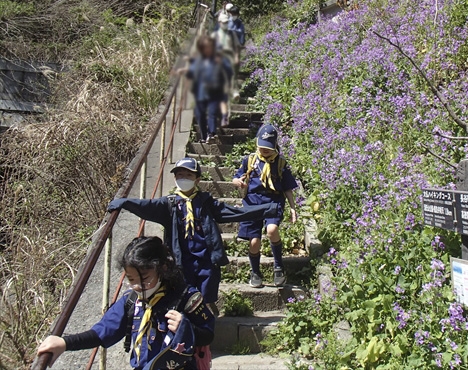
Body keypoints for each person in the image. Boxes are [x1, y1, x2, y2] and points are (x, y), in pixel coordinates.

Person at [107, 157, 281, 309]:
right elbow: (145, 206)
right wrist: (124, 203)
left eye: (189, 175)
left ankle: (205, 327)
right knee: (183, 296)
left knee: (206, 295)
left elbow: (235, 213)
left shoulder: (206, 203)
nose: (184, 179)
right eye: (180, 175)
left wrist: (269, 209)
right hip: (181, 261)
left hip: (206, 259)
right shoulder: (169, 204)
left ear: (198, 179)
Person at [37, 236, 214, 370]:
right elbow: (101, 333)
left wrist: (186, 327)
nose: (137, 285)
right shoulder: (131, 301)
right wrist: (65, 343)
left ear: (163, 268)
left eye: (144, 278)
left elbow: (208, 334)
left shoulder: (186, 297)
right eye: (131, 279)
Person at [232, 124, 298, 288]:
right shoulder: (250, 160)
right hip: (252, 202)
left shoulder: (281, 163)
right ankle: (255, 271)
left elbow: (288, 188)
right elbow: (236, 177)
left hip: (273, 201)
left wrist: (293, 208)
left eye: (268, 147)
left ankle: (278, 266)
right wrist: (238, 182)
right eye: (262, 147)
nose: (265, 150)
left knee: (272, 230)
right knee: (254, 242)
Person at [186, 36, 231, 142]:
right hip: (200, 92)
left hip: (215, 91)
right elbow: (190, 74)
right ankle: (203, 136)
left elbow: (229, 71)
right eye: (205, 47)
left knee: (212, 112)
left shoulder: (219, 59)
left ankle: (211, 134)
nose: (208, 49)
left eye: (210, 47)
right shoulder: (198, 60)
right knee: (199, 114)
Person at [211, 13, 241, 125]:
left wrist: (237, 57)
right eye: (224, 23)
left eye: (227, 22)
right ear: (219, 23)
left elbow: (237, 47)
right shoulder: (214, 36)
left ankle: (226, 115)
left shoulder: (231, 34)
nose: (225, 24)